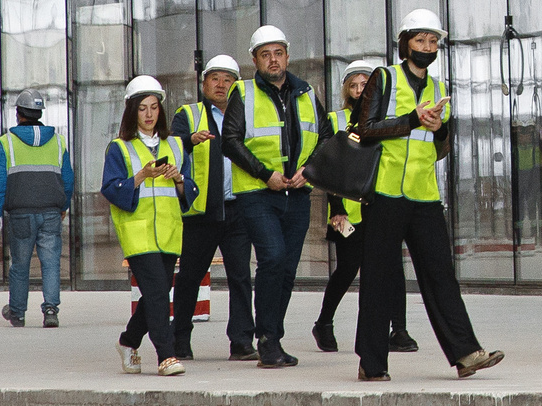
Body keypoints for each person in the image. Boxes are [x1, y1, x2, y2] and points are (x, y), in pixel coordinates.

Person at [349, 9, 504, 382]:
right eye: (421, 40)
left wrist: (438, 129)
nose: (428, 47)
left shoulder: (437, 88)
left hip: (424, 194)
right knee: (379, 278)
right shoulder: (384, 78)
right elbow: (361, 128)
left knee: (441, 274)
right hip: (385, 192)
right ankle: (371, 363)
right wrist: (412, 120)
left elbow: (440, 147)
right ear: (405, 44)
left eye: (434, 42)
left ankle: (466, 353)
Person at [219, 24, 326, 368]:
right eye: (265, 54)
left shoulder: (306, 93)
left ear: (288, 55)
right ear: (255, 60)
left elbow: (325, 138)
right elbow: (230, 140)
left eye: (278, 52)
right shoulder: (243, 92)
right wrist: (267, 175)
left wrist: (306, 171)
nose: (273, 59)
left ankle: (273, 338)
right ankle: (265, 340)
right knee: (273, 259)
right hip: (258, 193)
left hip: (298, 192)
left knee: (288, 269)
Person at [312, 60, 413, 356]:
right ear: (346, 89)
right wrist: (335, 209)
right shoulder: (335, 119)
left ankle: (399, 329)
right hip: (349, 209)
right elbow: (331, 167)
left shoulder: (389, 118)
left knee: (393, 267)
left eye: (364, 86)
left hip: (383, 203)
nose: (358, 91)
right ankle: (324, 322)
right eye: (353, 86)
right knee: (347, 268)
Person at [104, 75, 193, 377]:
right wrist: (141, 176)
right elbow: (112, 189)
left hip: (168, 233)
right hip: (138, 233)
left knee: (156, 293)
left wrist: (178, 178)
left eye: (154, 107)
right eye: (142, 108)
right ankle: (166, 355)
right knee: (157, 294)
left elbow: (188, 191)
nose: (149, 114)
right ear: (132, 111)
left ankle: (128, 341)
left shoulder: (176, 145)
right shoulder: (119, 147)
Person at [170, 55, 257, 360]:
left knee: (241, 278)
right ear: (204, 83)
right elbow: (170, 149)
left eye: (228, 79)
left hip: (239, 208)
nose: (221, 85)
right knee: (190, 277)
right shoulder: (188, 114)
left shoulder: (247, 115)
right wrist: (189, 141)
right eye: (215, 79)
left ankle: (242, 341)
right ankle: (180, 339)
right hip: (201, 211)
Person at [0, 89, 73, 329]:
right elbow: (68, 179)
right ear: (39, 113)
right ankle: (50, 310)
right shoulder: (58, 141)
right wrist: (63, 205)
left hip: (20, 214)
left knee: (20, 264)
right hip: (50, 213)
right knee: (51, 262)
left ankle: (17, 312)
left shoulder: (8, 143)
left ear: (18, 114)